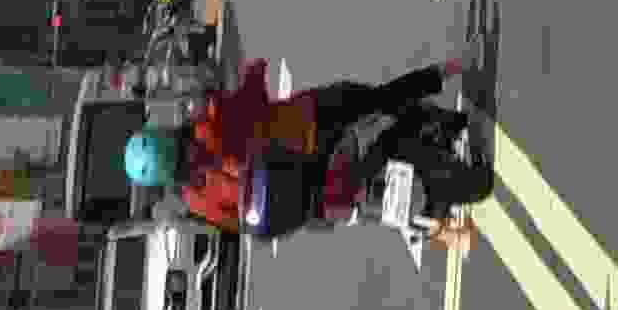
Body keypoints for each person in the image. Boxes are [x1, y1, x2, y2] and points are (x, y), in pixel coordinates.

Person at [139, 60, 463, 234]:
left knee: (368, 207)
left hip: (312, 195)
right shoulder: (208, 125)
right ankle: (449, 70)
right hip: (310, 120)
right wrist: (254, 71)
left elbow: (240, 223)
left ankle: (443, 228)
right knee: (379, 99)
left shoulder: (197, 200)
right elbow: (252, 99)